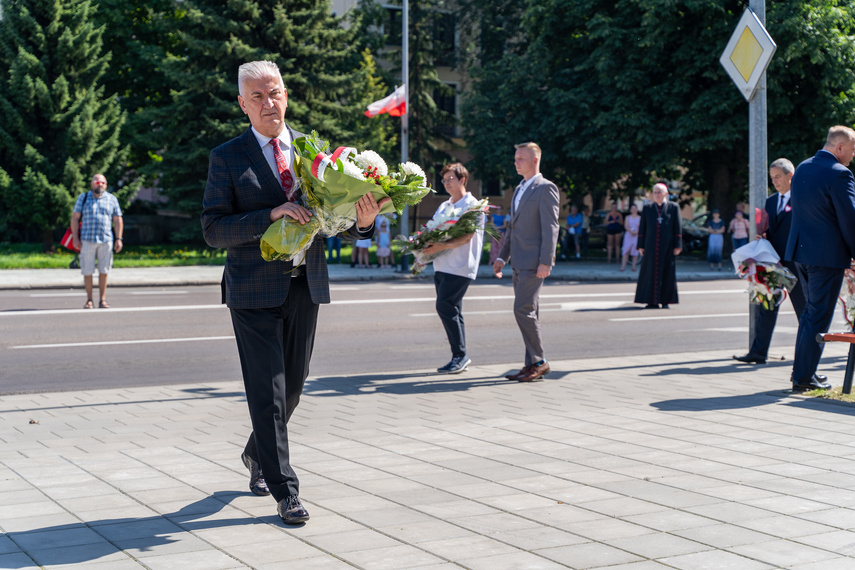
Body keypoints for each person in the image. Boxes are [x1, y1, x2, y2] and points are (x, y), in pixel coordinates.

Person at [200, 61, 385, 524]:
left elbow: (335, 218)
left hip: (305, 283)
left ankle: (256, 452)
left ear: (286, 95)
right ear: (243, 104)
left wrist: (363, 223)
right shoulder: (227, 156)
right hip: (252, 290)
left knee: (294, 386)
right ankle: (285, 490)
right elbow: (213, 229)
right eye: (258, 97)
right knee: (269, 390)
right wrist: (271, 214)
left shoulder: (314, 153)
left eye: (275, 93)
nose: (269, 103)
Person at [786, 126, 855, 392]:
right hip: (826, 257)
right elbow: (849, 220)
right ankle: (803, 377)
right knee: (817, 316)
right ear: (840, 147)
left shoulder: (803, 168)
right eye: (852, 149)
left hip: (801, 254)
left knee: (809, 314)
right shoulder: (840, 173)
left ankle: (803, 373)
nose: (852, 155)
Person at [493, 142, 560, 382]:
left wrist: (546, 261)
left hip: (534, 262)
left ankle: (540, 362)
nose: (516, 162)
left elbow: (551, 227)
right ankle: (531, 363)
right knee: (529, 312)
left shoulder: (546, 188)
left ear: (535, 160)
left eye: (521, 158)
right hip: (518, 262)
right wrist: (502, 256)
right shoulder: (519, 188)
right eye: (515, 158)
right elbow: (513, 228)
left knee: (522, 309)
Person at [734, 158, 806, 365]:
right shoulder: (771, 201)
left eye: (778, 177)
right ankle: (758, 353)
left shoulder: (802, 199)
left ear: (790, 176)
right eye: (772, 177)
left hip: (795, 263)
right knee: (766, 308)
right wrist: (763, 237)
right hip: (772, 263)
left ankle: (806, 357)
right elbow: (771, 229)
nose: (774, 181)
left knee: (803, 310)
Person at [421, 163, 485, 374]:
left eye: (450, 179)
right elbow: (431, 231)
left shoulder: (473, 206)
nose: (446, 183)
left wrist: (440, 246)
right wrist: (421, 252)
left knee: (444, 306)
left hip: (461, 266)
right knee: (453, 310)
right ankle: (460, 355)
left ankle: (460, 355)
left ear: (462, 180)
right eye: (444, 180)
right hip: (441, 265)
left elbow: (467, 237)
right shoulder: (444, 205)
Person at [71, 174, 123, 309]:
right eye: (97, 181)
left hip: (106, 240)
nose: (100, 184)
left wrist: (119, 239)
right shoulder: (83, 198)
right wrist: (75, 238)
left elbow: (117, 220)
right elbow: (75, 218)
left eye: (103, 182)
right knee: (87, 271)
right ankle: (89, 300)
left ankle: (102, 300)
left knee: (104, 271)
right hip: (87, 240)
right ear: (91, 183)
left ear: (106, 185)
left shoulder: (112, 199)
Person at [634, 183, 682, 309]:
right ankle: (651, 301)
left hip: (668, 246)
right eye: (654, 192)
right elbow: (642, 228)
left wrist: (678, 245)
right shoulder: (648, 208)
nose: (656, 195)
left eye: (659, 192)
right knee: (649, 273)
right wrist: (640, 246)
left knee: (667, 273)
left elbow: (677, 227)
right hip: (650, 246)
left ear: (666, 194)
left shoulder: (673, 207)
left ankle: (665, 301)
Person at [620, 204, 640, 271]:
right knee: (626, 250)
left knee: (635, 251)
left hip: (636, 235)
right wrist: (631, 232)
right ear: (630, 210)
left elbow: (641, 227)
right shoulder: (627, 217)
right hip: (629, 235)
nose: (634, 210)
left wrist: (636, 232)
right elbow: (626, 226)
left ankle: (633, 267)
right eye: (632, 208)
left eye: (635, 208)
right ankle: (623, 267)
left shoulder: (640, 218)